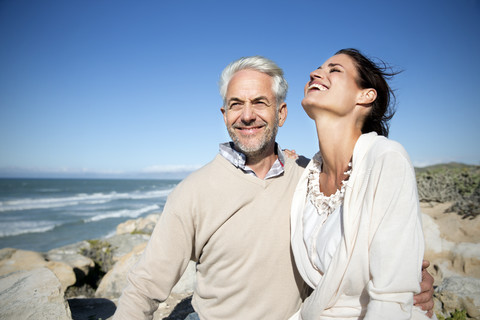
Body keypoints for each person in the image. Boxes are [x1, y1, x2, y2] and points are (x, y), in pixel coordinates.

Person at [113, 56, 434, 320]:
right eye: (236, 104)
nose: (247, 115)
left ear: (281, 113)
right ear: (224, 115)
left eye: (260, 103)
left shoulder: (308, 174)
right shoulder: (192, 192)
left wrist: (411, 282)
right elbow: (146, 285)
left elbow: (384, 249)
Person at [290, 49, 434, 319]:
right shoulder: (304, 178)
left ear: (365, 95)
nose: (314, 73)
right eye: (319, 68)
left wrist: (412, 274)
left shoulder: (386, 160)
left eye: (335, 69)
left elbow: (392, 297)